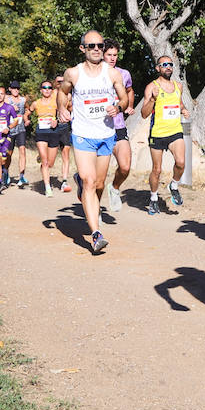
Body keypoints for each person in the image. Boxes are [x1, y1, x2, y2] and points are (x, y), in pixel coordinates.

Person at [60, 32, 129, 254]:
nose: (97, 49)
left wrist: (118, 107)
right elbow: (62, 93)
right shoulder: (73, 73)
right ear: (83, 48)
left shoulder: (112, 74)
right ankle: (96, 234)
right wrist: (62, 108)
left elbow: (125, 97)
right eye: (92, 46)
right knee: (90, 182)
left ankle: (84, 190)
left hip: (106, 135)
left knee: (99, 184)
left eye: (100, 45)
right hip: (82, 134)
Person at [139, 55, 190, 214]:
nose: (168, 67)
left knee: (181, 162)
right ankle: (153, 198)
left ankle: (173, 185)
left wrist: (183, 110)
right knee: (157, 170)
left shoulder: (178, 86)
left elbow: (179, 103)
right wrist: (153, 100)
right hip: (158, 133)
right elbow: (143, 114)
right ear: (158, 68)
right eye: (164, 64)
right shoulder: (152, 87)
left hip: (175, 131)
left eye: (170, 64)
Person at [103, 42, 136, 211]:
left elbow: (129, 90)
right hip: (99, 128)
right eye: (109, 54)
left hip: (118, 126)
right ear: (102, 55)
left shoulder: (124, 74)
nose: (112, 58)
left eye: (115, 55)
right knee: (96, 177)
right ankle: (94, 209)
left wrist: (128, 105)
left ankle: (114, 188)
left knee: (125, 166)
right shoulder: (94, 75)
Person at [28, 80, 62, 195]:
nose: (47, 89)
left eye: (49, 88)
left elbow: (65, 113)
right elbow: (28, 112)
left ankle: (41, 158)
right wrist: (26, 119)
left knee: (50, 163)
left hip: (54, 132)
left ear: (52, 90)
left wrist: (57, 120)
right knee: (45, 162)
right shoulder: (36, 103)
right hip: (41, 132)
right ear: (41, 90)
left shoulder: (56, 102)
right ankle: (48, 188)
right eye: (44, 87)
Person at [0, 85, 21, 189]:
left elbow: (16, 120)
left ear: (5, 95)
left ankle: (4, 171)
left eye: (2, 94)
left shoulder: (9, 107)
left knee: (4, 160)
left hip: (6, 136)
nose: (0, 96)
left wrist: (8, 127)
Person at [53, 74, 75, 193]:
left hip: (64, 127)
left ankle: (65, 181)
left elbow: (71, 108)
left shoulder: (69, 96)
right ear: (54, 83)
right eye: (58, 81)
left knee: (66, 153)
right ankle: (42, 155)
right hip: (51, 128)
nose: (60, 83)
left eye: (63, 81)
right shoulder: (50, 95)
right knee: (49, 156)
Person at [7, 82, 30, 188]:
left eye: (17, 88)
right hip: (10, 129)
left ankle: (21, 176)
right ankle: (6, 174)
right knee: (9, 154)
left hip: (21, 129)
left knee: (22, 151)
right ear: (10, 89)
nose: (16, 90)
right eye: (14, 88)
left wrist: (26, 118)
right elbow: (1, 110)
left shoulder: (23, 100)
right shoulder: (7, 99)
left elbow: (27, 109)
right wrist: (10, 109)